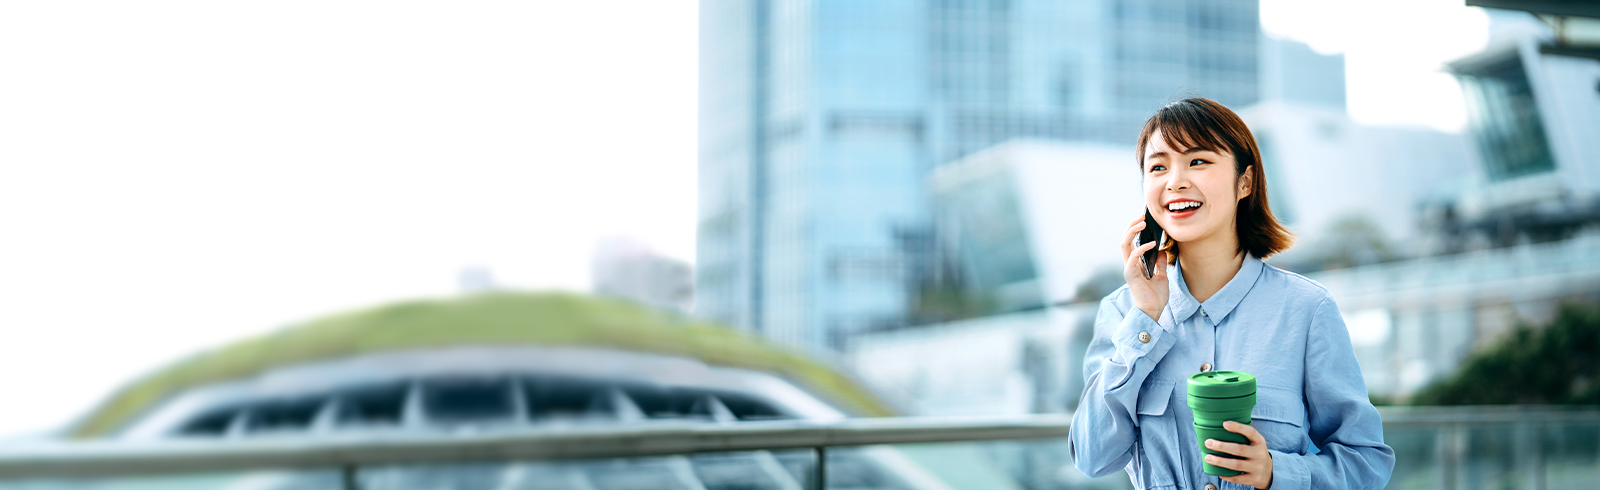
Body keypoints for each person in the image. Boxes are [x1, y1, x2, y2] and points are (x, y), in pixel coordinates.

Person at [1068, 98, 1395, 489]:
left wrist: (1278, 473)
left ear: (1245, 182)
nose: (1175, 180)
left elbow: (1367, 462)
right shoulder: (1123, 311)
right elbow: (1092, 456)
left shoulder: (1306, 310)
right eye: (1158, 167)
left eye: (1198, 161)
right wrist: (1146, 320)